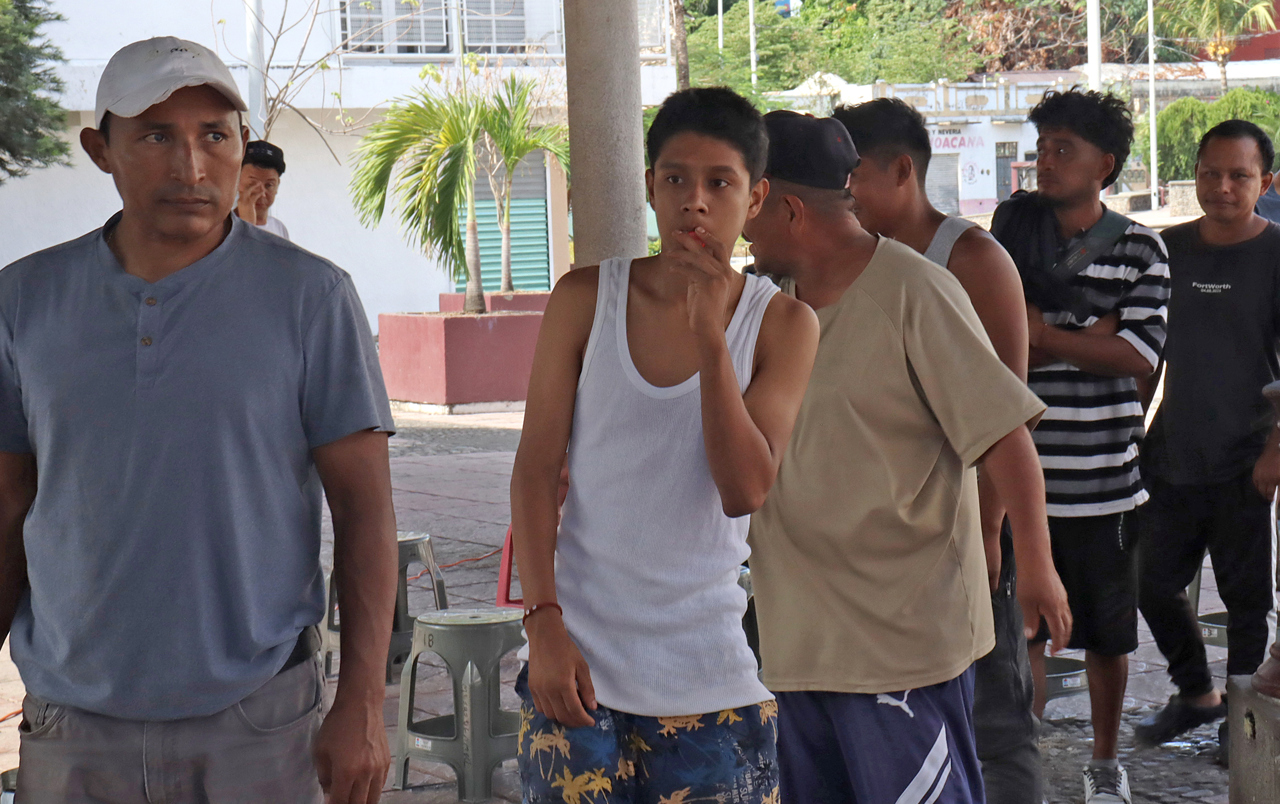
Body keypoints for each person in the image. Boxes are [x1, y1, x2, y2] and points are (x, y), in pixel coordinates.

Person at [0, 37, 397, 803]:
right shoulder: (24, 302)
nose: (190, 167)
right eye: (155, 136)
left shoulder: (311, 298)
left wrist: (363, 702)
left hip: (259, 723)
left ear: (242, 144)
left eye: (214, 135)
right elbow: (7, 506)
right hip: (73, 728)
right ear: (99, 150)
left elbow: (365, 511)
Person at [743, 109, 1070, 804]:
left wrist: (1037, 566)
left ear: (786, 207)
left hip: (902, 645)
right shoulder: (765, 306)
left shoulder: (915, 291)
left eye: (745, 202)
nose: (737, 225)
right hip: (798, 639)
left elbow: (1005, 436)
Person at [509, 87, 820, 802]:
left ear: (757, 196)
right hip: (577, 672)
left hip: (709, 683)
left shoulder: (783, 326)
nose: (696, 202)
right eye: (675, 178)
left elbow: (746, 489)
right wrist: (543, 621)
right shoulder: (586, 297)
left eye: (721, 183)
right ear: (650, 187)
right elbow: (535, 470)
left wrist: (711, 337)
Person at [834, 96, 1059, 804]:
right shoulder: (839, 265)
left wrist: (991, 527)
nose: (841, 199)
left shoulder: (972, 257)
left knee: (994, 716)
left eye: (852, 180)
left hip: (967, 526)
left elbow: (1004, 417)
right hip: (884, 542)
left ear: (903, 171)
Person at [991, 88, 1170, 804]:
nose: (1046, 162)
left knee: (1107, 634)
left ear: (1107, 164)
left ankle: (1104, 761)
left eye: (1064, 149)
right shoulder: (1005, 239)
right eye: (1042, 148)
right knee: (1020, 635)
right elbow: (988, 353)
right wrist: (1087, 337)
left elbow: (1136, 354)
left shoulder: (1140, 247)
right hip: (1014, 477)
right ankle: (1020, 762)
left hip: (1106, 482)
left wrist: (1038, 334)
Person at [1135, 119, 1280, 751]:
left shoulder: (1277, 253)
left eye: (1239, 176)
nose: (1222, 187)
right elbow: (1145, 356)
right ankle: (1196, 692)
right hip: (1170, 451)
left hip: (1246, 457)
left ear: (1264, 182)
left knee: (1247, 603)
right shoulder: (1166, 250)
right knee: (1150, 583)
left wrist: (1276, 449)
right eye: (1210, 173)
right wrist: (1130, 434)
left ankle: (1241, 727)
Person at [237, 139, 290, 239]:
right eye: (252, 184)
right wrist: (247, 224)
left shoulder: (279, 228)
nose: (261, 193)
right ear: (237, 182)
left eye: (268, 185)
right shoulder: (221, 227)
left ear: (277, 185)